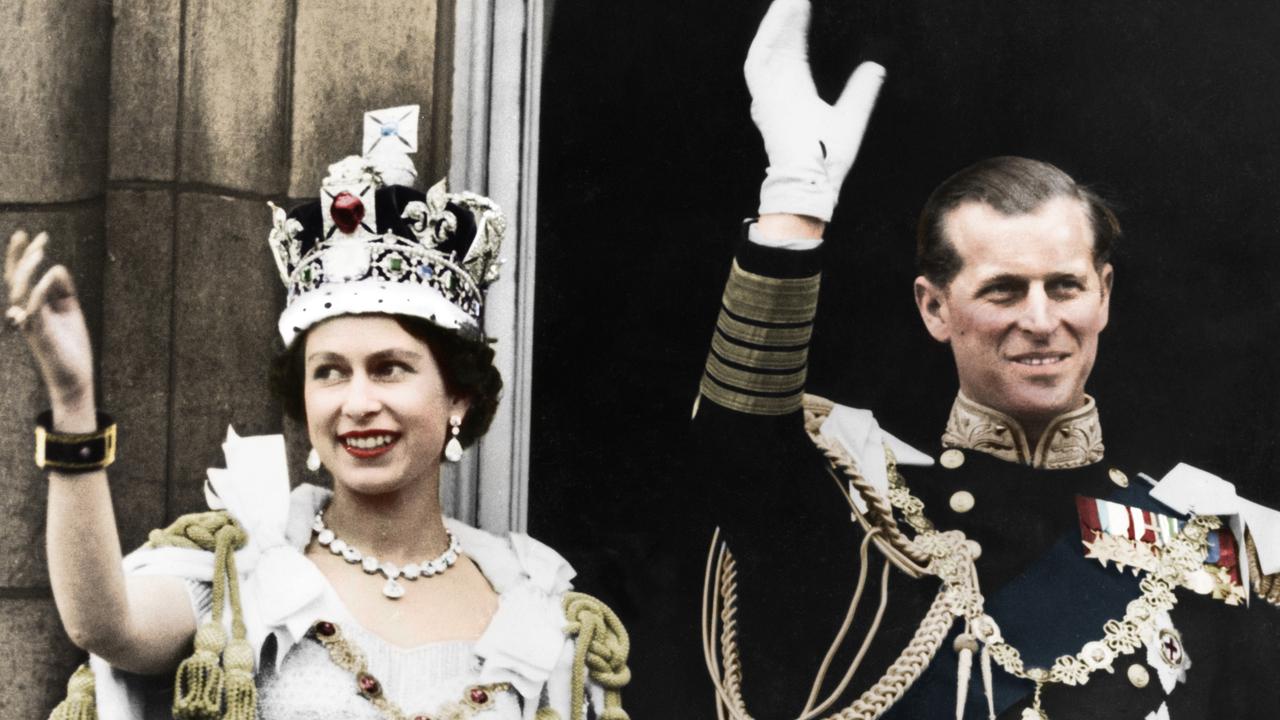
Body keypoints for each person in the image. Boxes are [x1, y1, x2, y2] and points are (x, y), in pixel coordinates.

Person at [693, 1, 1280, 719]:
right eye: (1002, 290)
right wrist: (794, 203)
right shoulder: (874, 516)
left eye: (1064, 286)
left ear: (1103, 295)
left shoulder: (1212, 541)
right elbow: (737, 446)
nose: (1040, 321)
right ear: (934, 308)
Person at [9, 107, 629, 720]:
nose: (357, 403)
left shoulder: (537, 611)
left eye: (390, 368)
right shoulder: (241, 575)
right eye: (329, 371)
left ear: (459, 397)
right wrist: (72, 405)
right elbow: (103, 622)